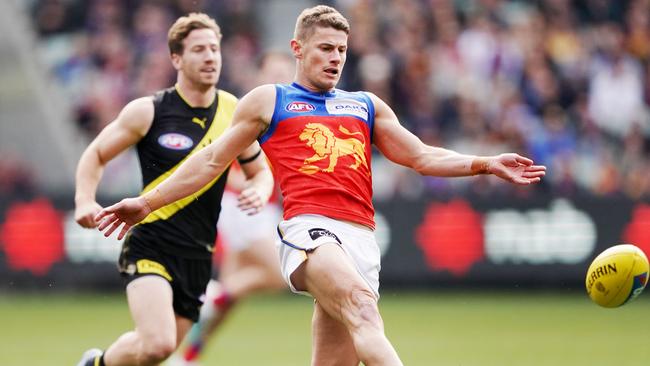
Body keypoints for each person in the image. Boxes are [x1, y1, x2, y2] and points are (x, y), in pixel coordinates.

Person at [95, 5, 546, 366]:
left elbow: (422, 156)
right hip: (310, 231)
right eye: (325, 48)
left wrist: (486, 163)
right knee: (363, 311)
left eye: (342, 50)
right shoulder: (271, 100)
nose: (335, 58)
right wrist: (147, 201)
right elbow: (212, 160)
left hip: (360, 240)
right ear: (298, 48)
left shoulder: (365, 104)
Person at [74, 12, 273, 366]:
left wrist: (259, 188)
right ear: (176, 58)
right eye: (199, 49)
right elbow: (96, 153)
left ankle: (97, 363)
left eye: (215, 49)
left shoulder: (235, 112)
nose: (210, 57)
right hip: (152, 242)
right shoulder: (148, 111)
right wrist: (84, 200)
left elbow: (260, 170)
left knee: (155, 353)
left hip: (198, 254)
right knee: (158, 344)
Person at [170, 51, 295, 366]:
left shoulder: (285, 112)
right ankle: (216, 294)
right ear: (260, 76)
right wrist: (249, 185)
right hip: (247, 207)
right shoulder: (251, 110)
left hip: (252, 208)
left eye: (285, 72)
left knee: (230, 300)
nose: (280, 78)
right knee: (281, 274)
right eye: (274, 72)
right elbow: (222, 158)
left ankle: (187, 357)